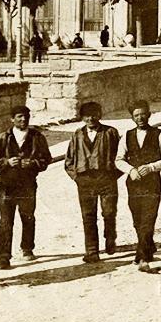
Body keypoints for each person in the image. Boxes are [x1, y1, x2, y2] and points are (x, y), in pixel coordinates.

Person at [0, 104, 51, 269]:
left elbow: (46, 159)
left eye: (26, 116)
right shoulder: (2, 138)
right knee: (6, 221)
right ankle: (4, 257)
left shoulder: (37, 137)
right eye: (19, 116)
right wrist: (6, 162)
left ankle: (27, 248)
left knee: (28, 217)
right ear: (12, 119)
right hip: (8, 186)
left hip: (28, 184)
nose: (23, 119)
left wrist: (33, 163)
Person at [120, 99, 161, 270]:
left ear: (149, 115)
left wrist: (151, 167)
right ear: (132, 118)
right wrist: (131, 170)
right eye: (136, 115)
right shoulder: (127, 136)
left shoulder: (160, 134)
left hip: (152, 183)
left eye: (143, 114)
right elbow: (118, 159)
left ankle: (142, 257)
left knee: (148, 218)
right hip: (133, 183)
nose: (140, 118)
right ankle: (148, 246)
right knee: (137, 219)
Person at [65, 101, 121, 263]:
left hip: (107, 179)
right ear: (82, 118)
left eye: (94, 114)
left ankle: (110, 238)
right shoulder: (77, 135)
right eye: (87, 115)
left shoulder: (110, 132)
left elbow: (121, 156)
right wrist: (77, 178)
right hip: (85, 181)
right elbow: (69, 161)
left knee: (109, 212)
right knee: (88, 216)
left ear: (100, 115)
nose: (91, 118)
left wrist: (113, 175)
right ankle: (92, 251)